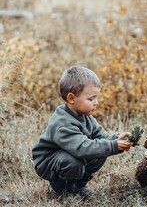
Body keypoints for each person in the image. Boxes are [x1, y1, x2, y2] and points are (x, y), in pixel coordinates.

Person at [32, 65, 133, 198]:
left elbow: (101, 137)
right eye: (90, 99)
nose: (96, 102)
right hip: (49, 161)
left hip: (70, 153)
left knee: (100, 151)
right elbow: (82, 148)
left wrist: (116, 139)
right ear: (71, 98)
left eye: (96, 97)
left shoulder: (86, 117)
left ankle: (78, 185)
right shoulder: (62, 123)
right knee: (73, 161)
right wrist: (113, 145)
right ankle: (62, 188)